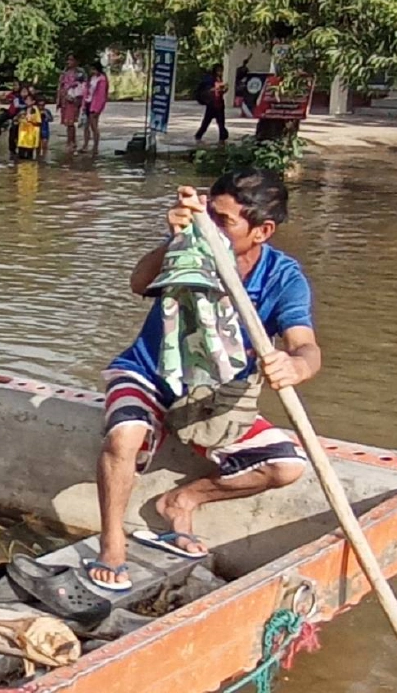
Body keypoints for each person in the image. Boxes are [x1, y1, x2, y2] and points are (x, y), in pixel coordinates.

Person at [87, 168, 319, 591]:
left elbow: (306, 346)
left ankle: (182, 500)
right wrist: (172, 239)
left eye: (224, 222)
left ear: (263, 230)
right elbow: (139, 283)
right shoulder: (190, 250)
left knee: (286, 467)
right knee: (124, 437)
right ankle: (112, 541)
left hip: (214, 393)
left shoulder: (283, 277)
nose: (210, 227)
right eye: (209, 214)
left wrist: (295, 366)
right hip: (150, 373)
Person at [195, 64, 229, 143]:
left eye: (221, 71)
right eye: (218, 71)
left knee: (221, 124)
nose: (220, 72)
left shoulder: (219, 79)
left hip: (219, 104)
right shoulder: (210, 79)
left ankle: (222, 139)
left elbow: (220, 92)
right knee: (206, 123)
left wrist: (224, 89)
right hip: (212, 105)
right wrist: (217, 88)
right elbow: (208, 90)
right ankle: (198, 136)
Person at [58, 55, 86, 149]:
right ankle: (70, 141)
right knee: (67, 123)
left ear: (76, 61)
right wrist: (59, 100)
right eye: (68, 60)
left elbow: (83, 87)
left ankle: (72, 142)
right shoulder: (65, 72)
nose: (68, 62)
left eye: (71, 60)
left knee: (71, 123)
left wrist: (78, 100)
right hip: (65, 100)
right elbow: (60, 86)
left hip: (73, 100)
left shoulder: (80, 73)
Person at [80, 62, 108, 154]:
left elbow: (101, 96)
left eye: (93, 69)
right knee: (86, 126)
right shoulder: (91, 79)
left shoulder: (102, 80)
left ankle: (95, 147)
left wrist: (98, 108)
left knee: (94, 126)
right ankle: (85, 145)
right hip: (88, 102)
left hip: (95, 104)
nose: (92, 71)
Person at [16, 95, 42, 159]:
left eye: (29, 100)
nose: (27, 101)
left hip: (30, 135)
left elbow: (39, 122)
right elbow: (16, 119)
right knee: (21, 154)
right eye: (26, 100)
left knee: (29, 155)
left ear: (33, 101)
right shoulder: (22, 110)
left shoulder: (35, 110)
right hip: (22, 135)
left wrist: (31, 120)